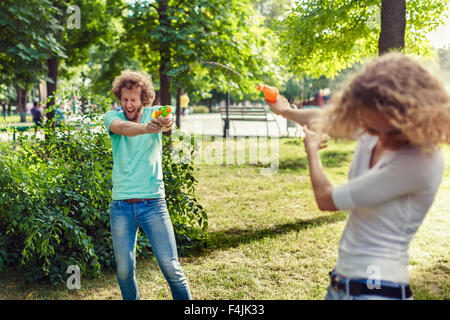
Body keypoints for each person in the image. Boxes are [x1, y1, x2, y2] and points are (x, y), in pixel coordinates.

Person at [268, 52, 450, 300]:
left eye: (391, 132)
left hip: (377, 290)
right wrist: (286, 111)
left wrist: (312, 153)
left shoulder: (422, 161)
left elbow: (327, 200)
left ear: (411, 116)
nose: (380, 138)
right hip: (340, 286)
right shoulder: (375, 127)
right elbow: (325, 118)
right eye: (372, 128)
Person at [103, 69, 192, 300]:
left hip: (153, 203)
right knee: (124, 271)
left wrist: (165, 121)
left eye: (133, 99)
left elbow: (167, 121)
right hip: (121, 206)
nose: (128, 104)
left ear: (143, 98)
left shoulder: (154, 113)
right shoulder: (112, 117)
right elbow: (123, 129)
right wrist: (145, 128)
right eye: (124, 99)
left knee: (171, 267)